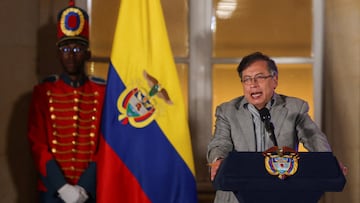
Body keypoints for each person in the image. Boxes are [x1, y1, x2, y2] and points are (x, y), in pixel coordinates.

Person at [207, 52, 333, 203]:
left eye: (259, 77)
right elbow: (220, 142)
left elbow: (313, 137)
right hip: (236, 196)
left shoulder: (294, 108)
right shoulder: (227, 111)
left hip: (281, 194)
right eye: (247, 79)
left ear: (275, 80)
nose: (253, 84)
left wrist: (327, 160)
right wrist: (219, 160)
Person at [27, 1, 105, 202]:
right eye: (65, 49)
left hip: (90, 192)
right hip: (53, 192)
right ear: (58, 54)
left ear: (87, 54)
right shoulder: (43, 92)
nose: (71, 56)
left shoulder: (101, 92)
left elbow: (105, 144)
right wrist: (62, 187)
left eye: (77, 49)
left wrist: (83, 187)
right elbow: (38, 145)